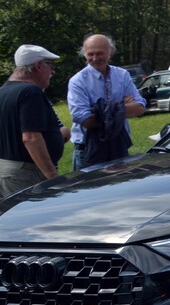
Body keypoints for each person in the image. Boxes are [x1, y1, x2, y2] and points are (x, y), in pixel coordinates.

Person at [67, 34, 146, 170]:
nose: (95, 58)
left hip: (119, 147)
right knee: (90, 191)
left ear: (110, 52)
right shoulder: (78, 81)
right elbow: (84, 118)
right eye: (90, 54)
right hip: (88, 151)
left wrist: (99, 110)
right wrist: (122, 108)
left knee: (121, 190)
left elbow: (140, 107)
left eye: (100, 53)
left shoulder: (122, 75)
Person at [0, 45, 68, 196]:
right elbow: (30, 138)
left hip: (9, 170)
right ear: (38, 66)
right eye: (50, 65)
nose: (52, 72)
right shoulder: (30, 92)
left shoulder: (4, 91)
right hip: (26, 174)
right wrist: (53, 177)